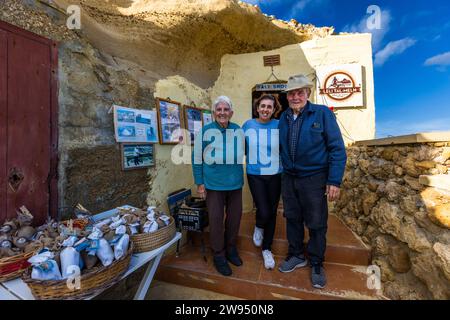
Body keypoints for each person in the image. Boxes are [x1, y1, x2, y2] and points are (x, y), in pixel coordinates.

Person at [278, 74, 347, 289]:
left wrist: (334, 181)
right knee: (292, 218)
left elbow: (337, 149)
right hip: (290, 178)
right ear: (287, 97)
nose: (295, 96)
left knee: (317, 223)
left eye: (300, 92)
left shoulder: (322, 113)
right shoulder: (284, 117)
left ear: (307, 93)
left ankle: (317, 263)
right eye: (291, 93)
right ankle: (297, 255)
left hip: (314, 179)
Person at [192, 96, 244, 276]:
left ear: (231, 112)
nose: (222, 113)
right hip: (213, 185)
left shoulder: (237, 130)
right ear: (214, 113)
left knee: (234, 219)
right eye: (219, 110)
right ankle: (219, 255)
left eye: (226, 109)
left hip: (235, 184)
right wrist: (200, 184)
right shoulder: (206, 131)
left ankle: (231, 249)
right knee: (215, 221)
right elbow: (197, 158)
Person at [242, 94, 282, 270]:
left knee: (272, 212)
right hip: (255, 173)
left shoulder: (279, 125)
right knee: (263, 209)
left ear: (274, 110)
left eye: (269, 107)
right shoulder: (248, 125)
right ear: (257, 108)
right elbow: (238, 147)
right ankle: (259, 225)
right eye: (262, 106)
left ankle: (267, 249)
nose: (265, 109)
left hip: (276, 173)